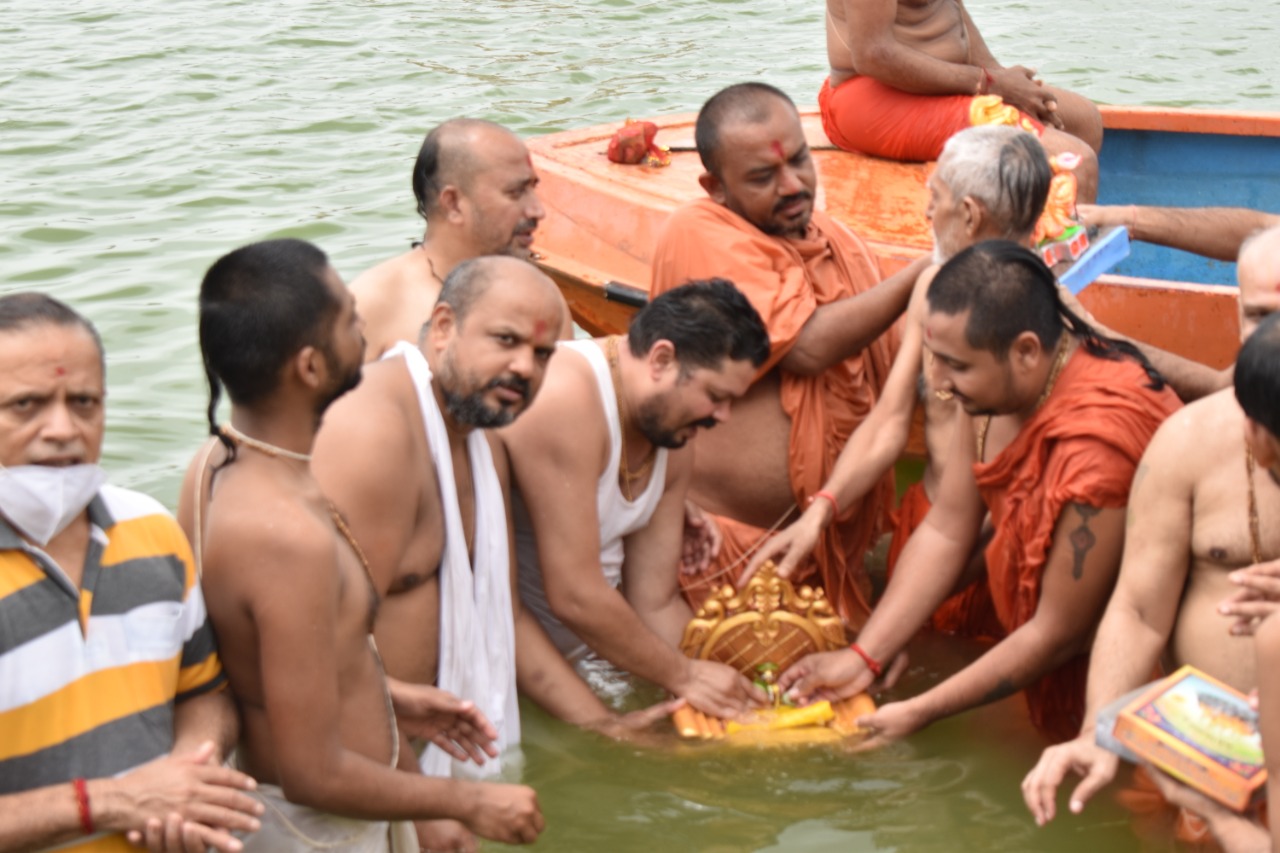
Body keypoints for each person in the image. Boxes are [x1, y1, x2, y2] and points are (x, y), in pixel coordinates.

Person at [182, 239, 543, 851]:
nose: (367, 328)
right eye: (351, 318)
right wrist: (467, 799)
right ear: (310, 367)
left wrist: (389, 698)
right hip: (314, 832)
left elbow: (274, 671)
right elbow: (311, 772)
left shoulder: (238, 469)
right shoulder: (286, 535)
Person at [313, 255, 667, 853]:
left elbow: (507, 616)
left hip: (431, 764)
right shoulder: (374, 435)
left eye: (544, 353)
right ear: (444, 326)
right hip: (360, 778)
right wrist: (425, 806)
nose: (524, 367)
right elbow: (321, 654)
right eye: (505, 340)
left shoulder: (483, 441)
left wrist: (606, 726)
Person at [779, 241, 1181, 743]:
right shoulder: (998, 389)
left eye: (957, 366)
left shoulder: (1098, 448)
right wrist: (866, 655)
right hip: (1038, 659)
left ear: (1026, 351)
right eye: (936, 360)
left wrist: (922, 710)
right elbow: (948, 528)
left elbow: (1060, 633)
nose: (940, 385)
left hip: (1131, 693)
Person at [1021, 226, 1280, 842]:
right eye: (1260, 316)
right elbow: (1138, 611)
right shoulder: (1189, 442)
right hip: (1200, 765)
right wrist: (1096, 733)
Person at [747, 124, 1051, 644]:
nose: (927, 214)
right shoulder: (933, 286)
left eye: (936, 199)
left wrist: (922, 594)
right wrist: (820, 511)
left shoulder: (1042, 324)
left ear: (970, 215)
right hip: (927, 524)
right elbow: (888, 421)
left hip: (991, 549)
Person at [649, 81, 930, 628]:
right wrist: (925, 269)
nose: (792, 184)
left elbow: (896, 366)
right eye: (762, 177)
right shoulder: (698, 230)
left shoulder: (838, 239)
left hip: (829, 546)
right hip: (721, 551)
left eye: (800, 160)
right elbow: (808, 345)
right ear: (717, 187)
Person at [0, 292, 262, 853]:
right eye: (26, 405)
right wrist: (115, 802)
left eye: (85, 402)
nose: (63, 428)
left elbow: (204, 692)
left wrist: (188, 775)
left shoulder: (150, 530)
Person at [502, 279, 772, 719]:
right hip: (515, 673)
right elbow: (574, 594)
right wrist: (686, 678)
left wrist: (740, 685)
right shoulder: (567, 396)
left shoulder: (674, 432)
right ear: (662, 359)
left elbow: (655, 601)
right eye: (716, 397)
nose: (722, 418)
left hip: (599, 657)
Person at [821, 0, 1101, 202]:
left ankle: (1036, 238)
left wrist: (1001, 79)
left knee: (1084, 120)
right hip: (869, 98)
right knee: (1077, 162)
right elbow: (872, 54)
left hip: (945, 82)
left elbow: (953, 12)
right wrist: (986, 83)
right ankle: (1047, 276)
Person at [351, 119, 557, 361]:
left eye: (533, 188)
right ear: (453, 204)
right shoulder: (372, 305)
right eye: (515, 193)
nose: (537, 211)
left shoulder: (543, 297)